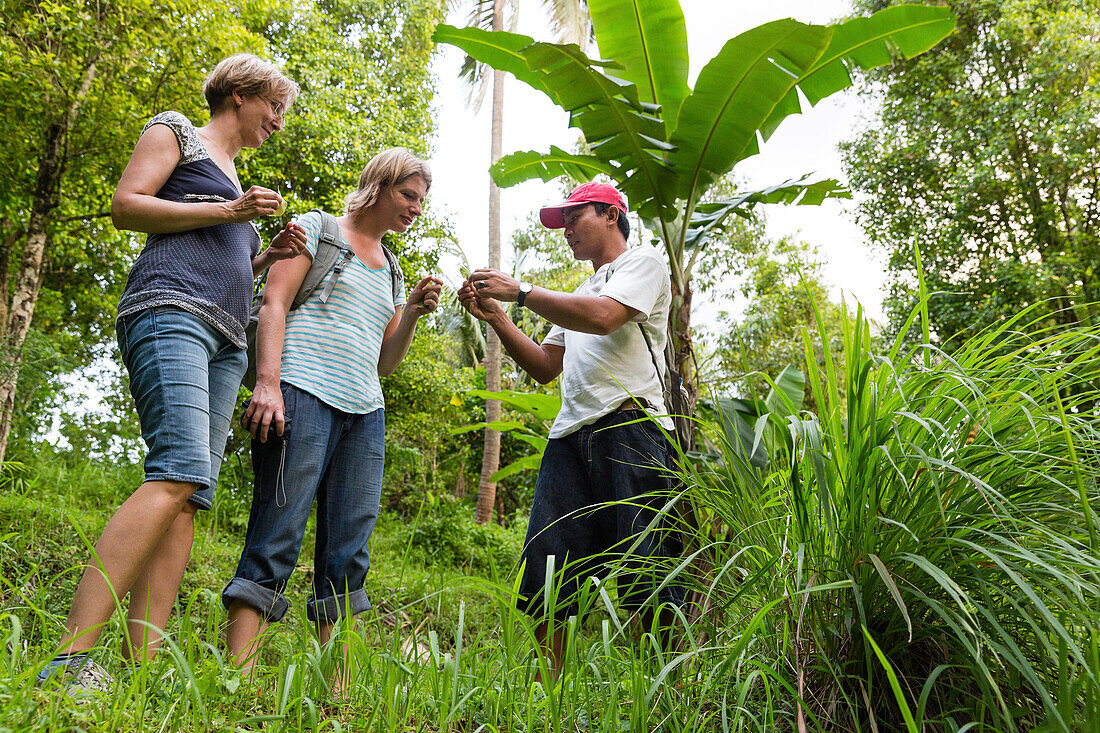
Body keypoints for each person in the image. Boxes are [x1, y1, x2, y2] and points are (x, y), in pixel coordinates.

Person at [35, 54, 305, 692]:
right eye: (275, 107)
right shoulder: (177, 132)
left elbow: (221, 253)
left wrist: (266, 254)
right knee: (178, 470)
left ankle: (137, 673)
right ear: (240, 95)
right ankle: (69, 660)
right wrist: (230, 212)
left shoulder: (235, 175)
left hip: (226, 338)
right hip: (170, 311)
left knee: (190, 498)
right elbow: (127, 207)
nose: (278, 121)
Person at [220, 148, 442, 688]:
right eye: (407, 195)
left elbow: (384, 361)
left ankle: (336, 687)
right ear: (379, 185)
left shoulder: (391, 268)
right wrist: (267, 384)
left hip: (364, 413)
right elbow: (274, 302)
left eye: (421, 200)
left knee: (349, 548)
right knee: (278, 528)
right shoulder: (317, 229)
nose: (415, 208)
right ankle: (236, 679)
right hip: (301, 392)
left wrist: (409, 310)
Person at [458, 182, 683, 678]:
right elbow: (544, 366)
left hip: (632, 426)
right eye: (560, 223)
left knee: (646, 567)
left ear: (609, 214)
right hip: (570, 438)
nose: (564, 232)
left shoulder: (641, 264)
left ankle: (666, 692)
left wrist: (520, 291)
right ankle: (547, 694)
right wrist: (498, 316)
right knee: (546, 570)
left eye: (572, 218)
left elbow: (606, 319)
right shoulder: (577, 293)